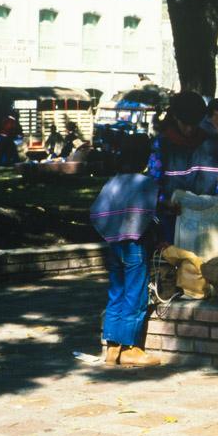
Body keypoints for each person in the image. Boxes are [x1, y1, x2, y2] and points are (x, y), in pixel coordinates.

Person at [89, 134, 161, 367]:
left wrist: (111, 232)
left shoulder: (113, 182)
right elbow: (149, 214)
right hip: (135, 245)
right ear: (144, 157)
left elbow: (96, 212)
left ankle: (112, 347)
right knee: (135, 295)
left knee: (116, 293)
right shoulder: (145, 183)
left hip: (113, 245)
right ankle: (130, 347)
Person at [147, 92, 218, 244]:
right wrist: (164, 201)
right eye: (186, 124)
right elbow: (153, 182)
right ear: (176, 118)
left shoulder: (210, 142)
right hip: (173, 219)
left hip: (206, 220)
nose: (190, 129)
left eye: (194, 123)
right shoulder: (162, 144)